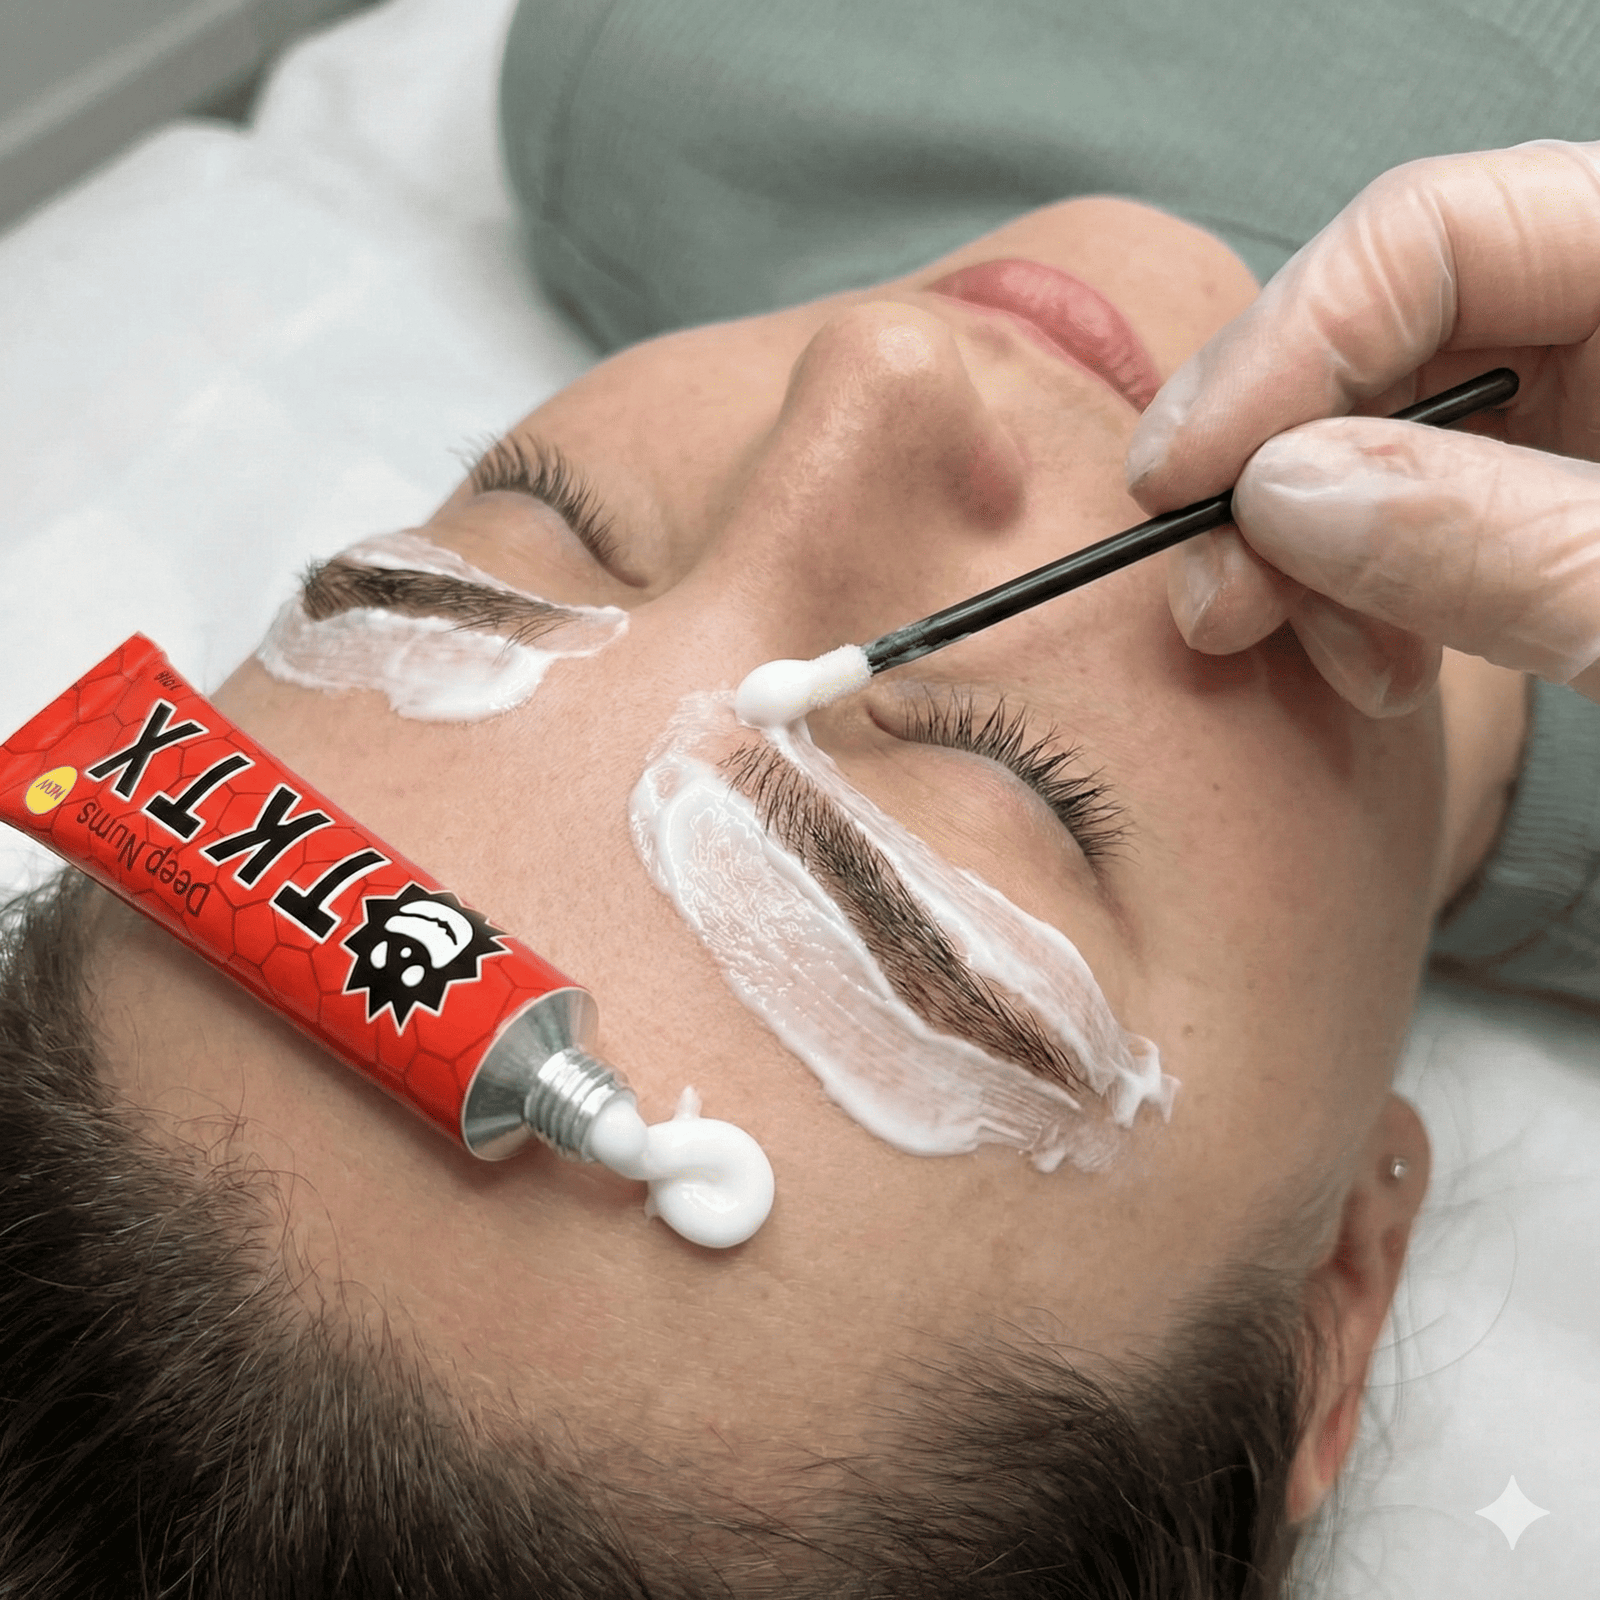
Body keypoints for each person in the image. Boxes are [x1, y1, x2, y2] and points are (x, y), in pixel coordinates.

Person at [0, 18, 1593, 1600]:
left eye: (540, 530)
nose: (875, 369)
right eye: (1010, 781)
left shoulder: (666, 64)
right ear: (1337, 1294)